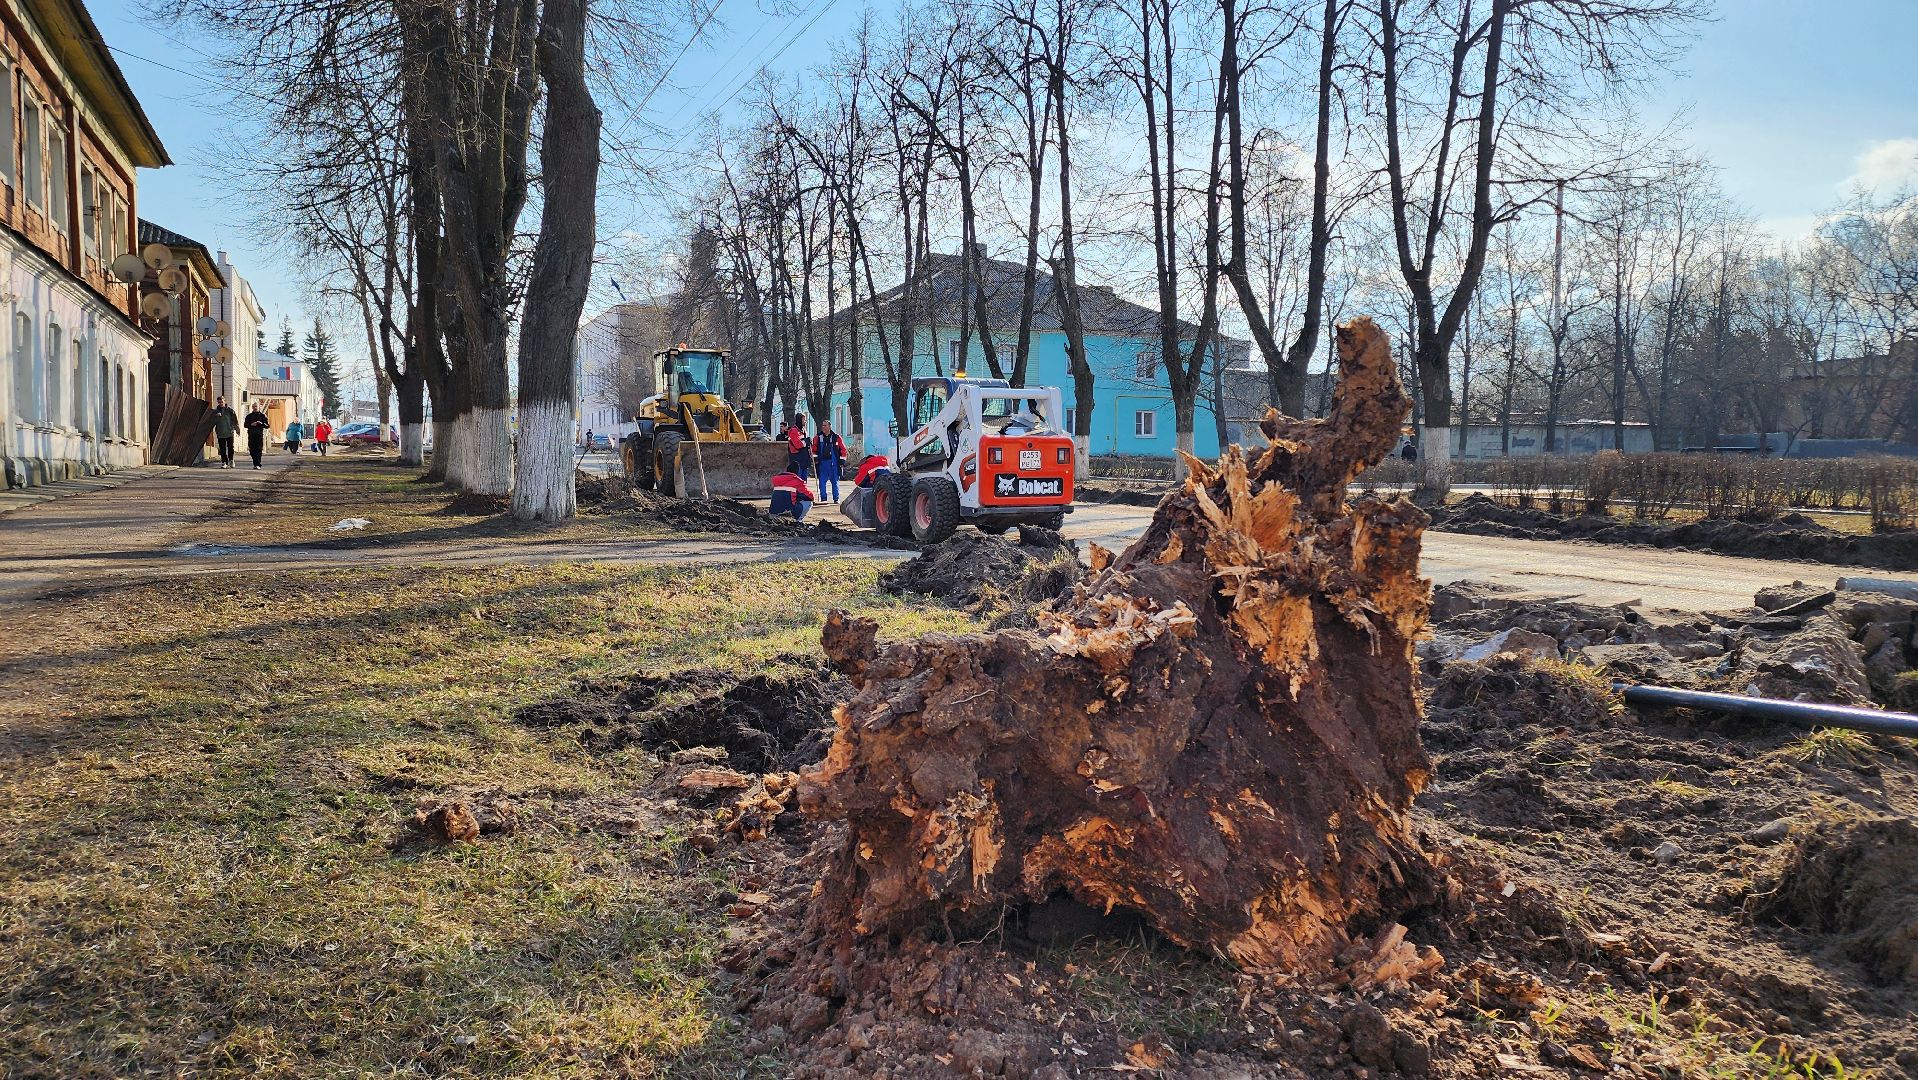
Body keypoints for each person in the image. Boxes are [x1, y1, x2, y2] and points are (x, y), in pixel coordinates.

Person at [813, 419, 847, 502]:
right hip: (822, 463)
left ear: (829, 426)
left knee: (835, 481)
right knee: (822, 482)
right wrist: (815, 459)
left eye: (825, 425)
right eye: (822, 425)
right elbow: (813, 449)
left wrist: (842, 461)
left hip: (834, 464)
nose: (823, 427)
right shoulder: (818, 437)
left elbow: (843, 450)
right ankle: (823, 499)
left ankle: (836, 499)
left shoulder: (836, 437)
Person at [209, 396, 239, 469]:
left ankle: (231, 460)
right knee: (222, 448)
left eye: (222, 402)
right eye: (219, 402)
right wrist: (216, 416)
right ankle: (224, 462)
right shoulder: (215, 411)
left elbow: (235, 421)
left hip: (229, 431)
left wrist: (237, 430)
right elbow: (211, 421)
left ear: (224, 401)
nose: (220, 403)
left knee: (230, 447)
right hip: (220, 432)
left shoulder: (230, 410)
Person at [785, 415, 812, 480]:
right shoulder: (794, 431)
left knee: (803, 482)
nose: (805, 421)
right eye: (803, 420)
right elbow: (798, 445)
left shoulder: (804, 431)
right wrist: (806, 441)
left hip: (804, 459)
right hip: (797, 460)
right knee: (797, 480)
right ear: (799, 420)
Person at [244, 404, 270, 469]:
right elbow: (245, 425)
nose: (255, 408)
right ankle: (255, 462)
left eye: (256, 406)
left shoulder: (262, 416)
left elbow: (267, 426)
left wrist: (261, 424)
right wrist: (251, 424)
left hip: (259, 435)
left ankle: (257, 464)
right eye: (254, 407)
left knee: (258, 449)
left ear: (259, 407)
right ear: (252, 408)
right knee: (252, 449)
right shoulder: (249, 416)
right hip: (251, 434)